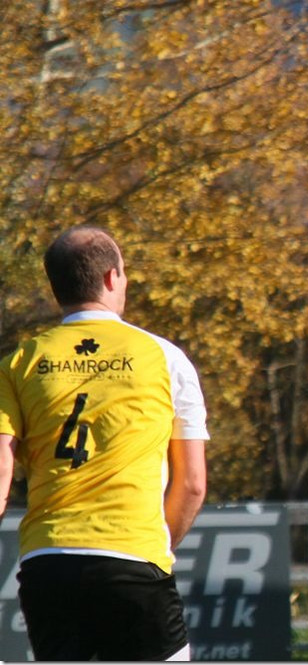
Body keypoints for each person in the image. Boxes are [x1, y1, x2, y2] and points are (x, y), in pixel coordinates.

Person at [0, 226, 209, 660]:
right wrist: (152, 548)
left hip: (47, 562)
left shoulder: (18, 363)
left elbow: (1, 470)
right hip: (132, 556)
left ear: (55, 286)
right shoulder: (165, 358)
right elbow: (192, 484)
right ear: (113, 277)